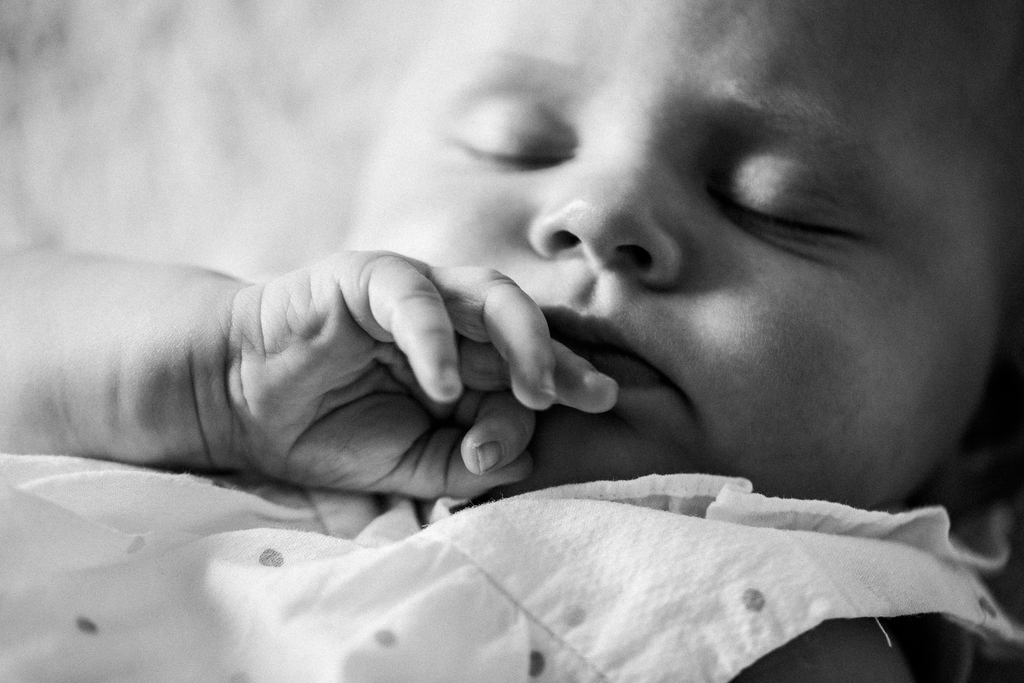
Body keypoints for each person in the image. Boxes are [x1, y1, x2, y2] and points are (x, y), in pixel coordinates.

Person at [1, 0, 1023, 680]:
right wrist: (214, 374)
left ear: (984, 428)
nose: (600, 208)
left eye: (775, 203)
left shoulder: (801, 617)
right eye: (513, 143)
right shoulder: (248, 371)